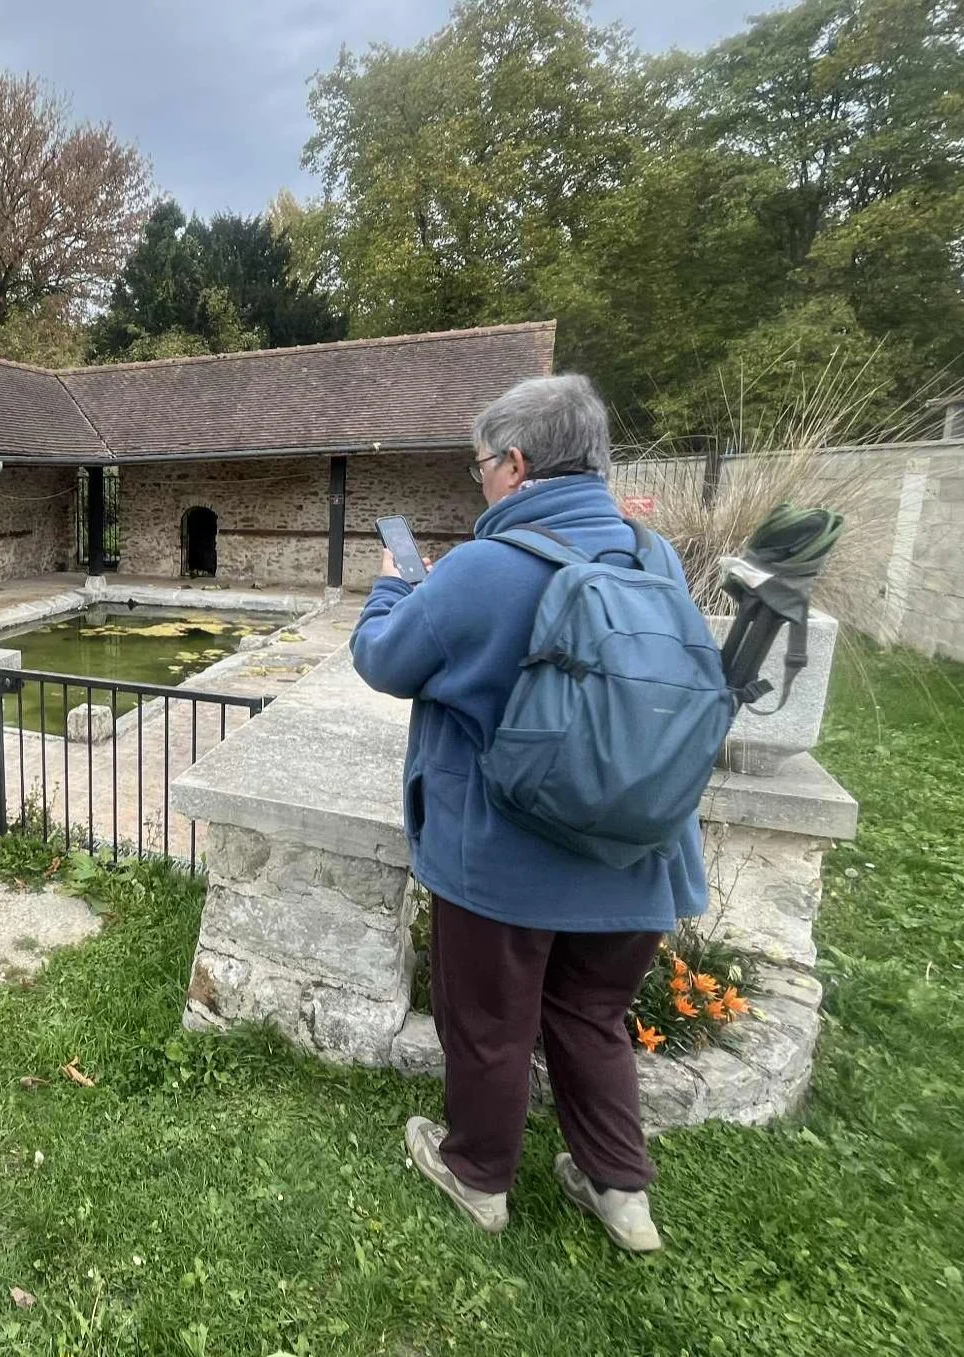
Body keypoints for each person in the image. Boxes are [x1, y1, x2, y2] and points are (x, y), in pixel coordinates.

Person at [349, 375, 707, 1252]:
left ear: (515, 463)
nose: (480, 484)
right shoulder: (653, 557)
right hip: (636, 849)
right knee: (591, 1017)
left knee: (489, 1024)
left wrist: (393, 586)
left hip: (503, 857)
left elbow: (384, 660)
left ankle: (477, 1175)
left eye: (481, 466)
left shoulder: (483, 567)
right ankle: (619, 1189)